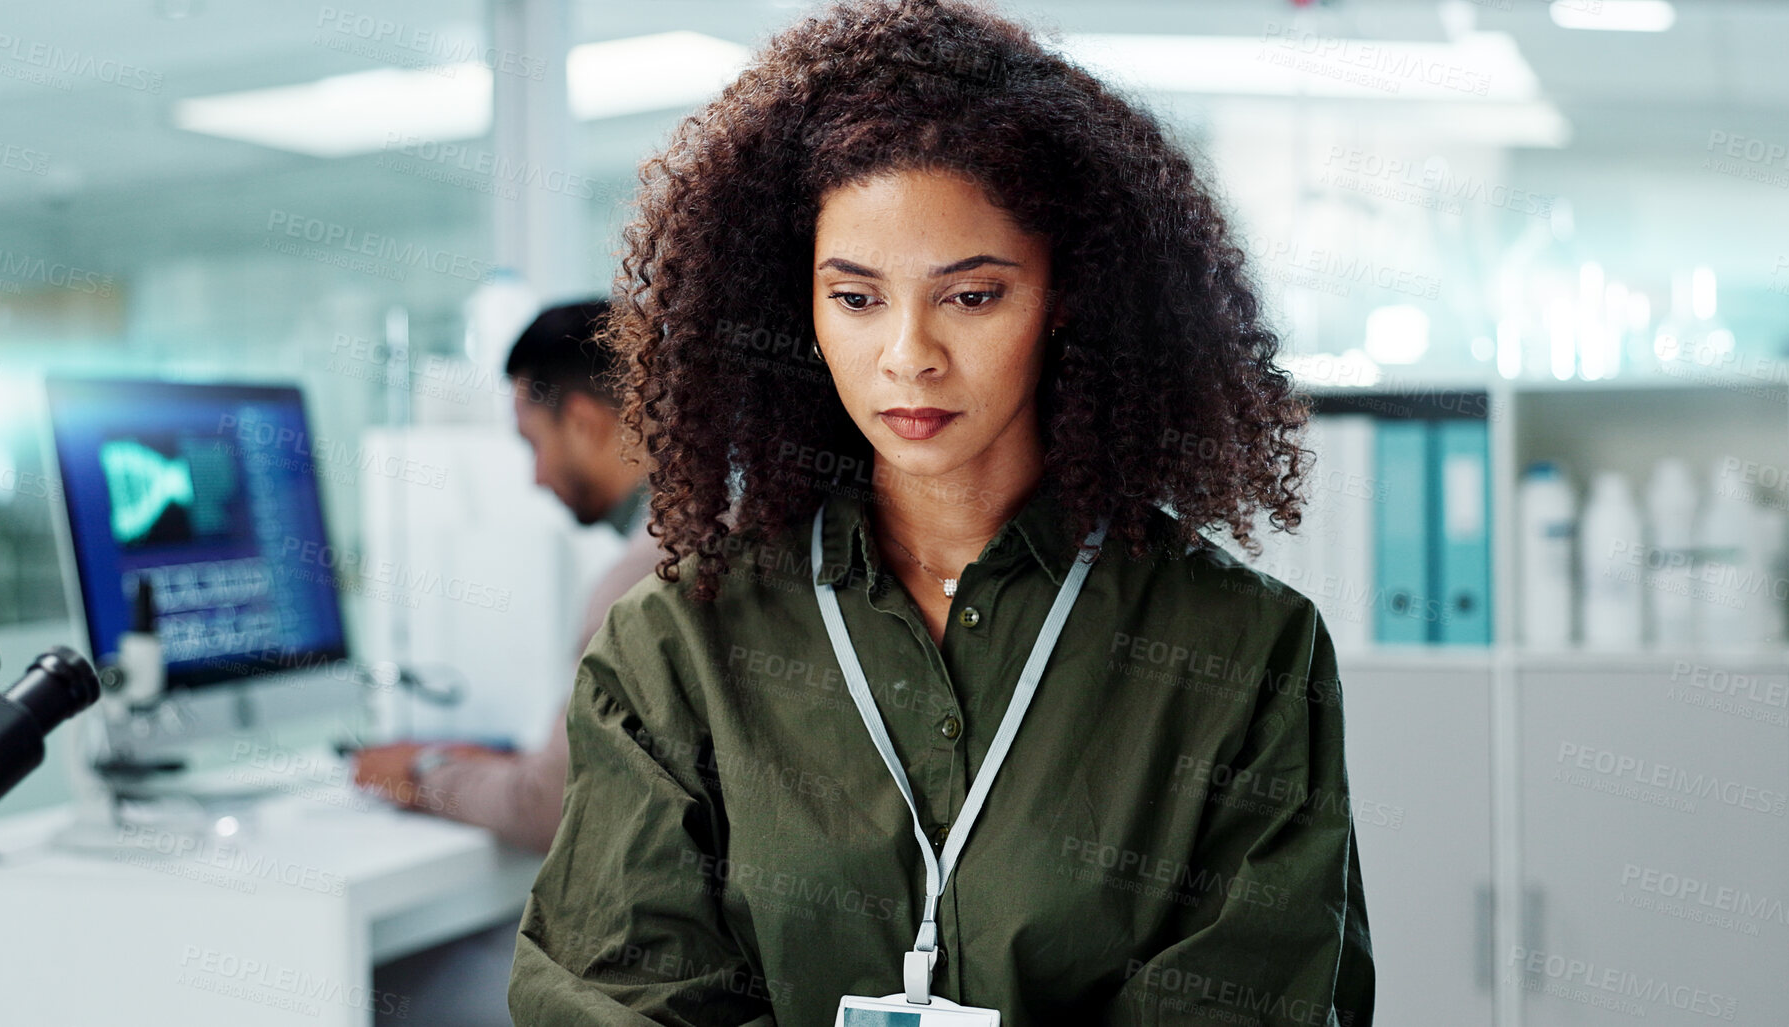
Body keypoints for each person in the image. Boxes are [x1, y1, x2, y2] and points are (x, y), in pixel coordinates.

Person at [510, 2, 1375, 1025]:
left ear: (1067, 298)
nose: (908, 354)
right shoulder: (675, 646)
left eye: (970, 297)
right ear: (799, 307)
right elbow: (610, 995)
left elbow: (1254, 1002)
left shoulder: (1243, 652)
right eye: (858, 298)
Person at [353, 299, 662, 852]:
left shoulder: (643, 578)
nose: (537, 478)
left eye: (534, 443)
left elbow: (547, 807)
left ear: (585, 423)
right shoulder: (737, 520)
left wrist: (422, 772)